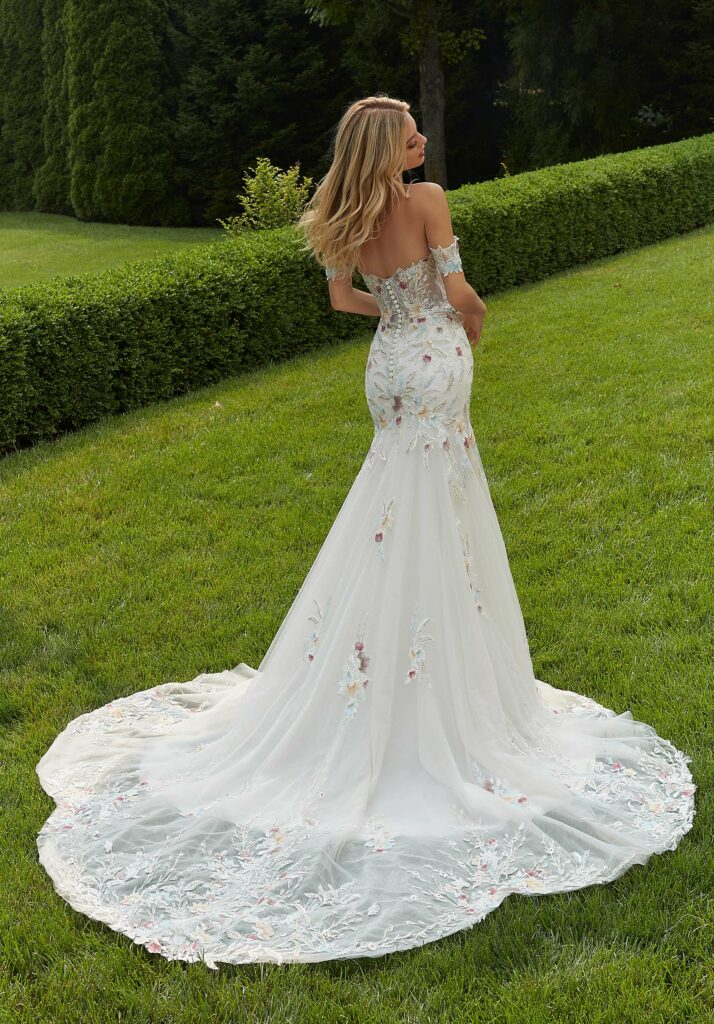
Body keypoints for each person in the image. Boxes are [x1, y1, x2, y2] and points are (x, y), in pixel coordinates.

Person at [35, 94, 696, 969]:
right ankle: (431, 672)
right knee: (438, 504)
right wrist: (466, 326)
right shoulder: (426, 201)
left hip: (388, 363)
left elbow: (346, 299)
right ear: (390, 146)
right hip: (434, 358)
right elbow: (462, 292)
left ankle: (380, 653)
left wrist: (398, 317)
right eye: (412, 129)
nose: (423, 137)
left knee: (393, 502)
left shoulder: (340, 213)